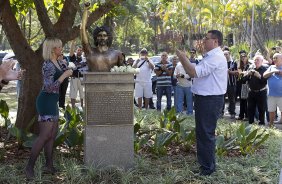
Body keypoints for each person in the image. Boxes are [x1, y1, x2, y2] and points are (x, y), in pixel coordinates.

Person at [176, 30, 227, 176]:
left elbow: (194, 72)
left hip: (210, 100)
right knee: (203, 133)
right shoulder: (211, 56)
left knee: (205, 133)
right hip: (205, 99)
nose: (203, 41)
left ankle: (207, 169)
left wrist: (182, 57)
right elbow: (194, 72)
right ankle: (206, 164)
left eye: (206, 38)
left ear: (215, 41)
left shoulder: (216, 57)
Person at [25, 38, 73, 179]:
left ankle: (49, 165)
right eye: (59, 46)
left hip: (53, 102)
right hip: (45, 102)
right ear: (53, 49)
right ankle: (29, 168)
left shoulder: (58, 62)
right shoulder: (48, 65)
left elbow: (69, 71)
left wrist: (66, 68)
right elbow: (48, 87)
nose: (61, 48)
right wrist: (64, 76)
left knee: (52, 135)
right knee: (44, 136)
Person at [81, 4, 124, 72]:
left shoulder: (117, 54)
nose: (102, 38)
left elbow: (123, 74)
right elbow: (82, 29)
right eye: (100, 35)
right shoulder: (89, 52)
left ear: (108, 37)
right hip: (92, 82)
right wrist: (85, 10)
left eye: (104, 35)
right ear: (96, 38)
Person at [243, 54, 267, 125]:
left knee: (261, 109)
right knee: (250, 108)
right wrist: (248, 74)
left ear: (262, 61)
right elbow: (243, 79)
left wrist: (259, 76)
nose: (256, 61)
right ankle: (250, 123)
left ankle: (261, 123)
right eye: (255, 60)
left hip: (261, 92)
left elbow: (265, 81)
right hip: (251, 92)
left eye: (258, 60)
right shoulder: (251, 68)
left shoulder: (264, 69)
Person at [263, 53, 282, 126]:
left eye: (276, 58)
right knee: (271, 110)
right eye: (274, 58)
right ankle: (271, 124)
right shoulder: (271, 67)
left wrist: (279, 72)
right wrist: (273, 72)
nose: (274, 59)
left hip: (281, 94)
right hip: (271, 93)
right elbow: (264, 75)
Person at [69, 41, 86, 108]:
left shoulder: (84, 59)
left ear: (82, 52)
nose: (79, 51)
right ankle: (73, 107)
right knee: (73, 94)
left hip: (81, 79)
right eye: (78, 50)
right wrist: (73, 44)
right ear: (76, 51)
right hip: (74, 78)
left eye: (80, 50)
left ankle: (82, 106)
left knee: (82, 94)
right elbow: (71, 52)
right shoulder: (73, 57)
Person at [236, 50, 250, 120]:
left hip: (246, 84)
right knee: (241, 100)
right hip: (240, 84)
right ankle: (241, 115)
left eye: (244, 56)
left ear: (247, 57)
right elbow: (239, 75)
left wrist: (243, 73)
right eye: (241, 57)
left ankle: (247, 116)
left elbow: (247, 75)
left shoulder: (249, 65)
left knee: (246, 101)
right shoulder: (240, 65)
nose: (243, 58)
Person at [224, 50, 238, 119]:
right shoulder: (221, 63)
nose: (225, 56)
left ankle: (232, 113)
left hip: (231, 84)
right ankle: (220, 112)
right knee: (221, 99)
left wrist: (230, 72)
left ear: (229, 54)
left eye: (226, 54)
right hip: (222, 85)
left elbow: (237, 72)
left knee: (232, 99)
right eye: (224, 54)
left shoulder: (234, 63)